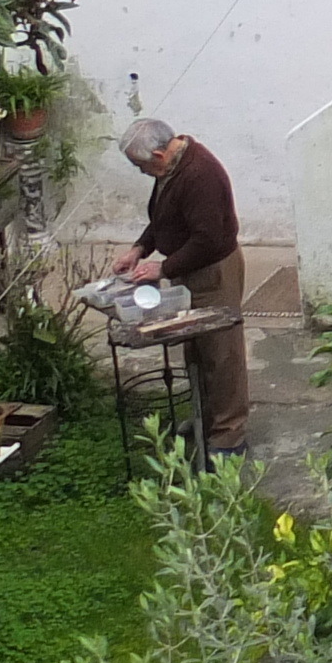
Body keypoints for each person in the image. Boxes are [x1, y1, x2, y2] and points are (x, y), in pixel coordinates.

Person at [114, 116, 248, 453]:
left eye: (140, 165)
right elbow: (163, 219)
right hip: (189, 270)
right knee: (195, 349)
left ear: (158, 155)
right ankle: (206, 416)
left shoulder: (199, 174)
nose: (140, 172)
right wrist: (139, 249)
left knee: (222, 354)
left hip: (213, 271)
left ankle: (229, 435)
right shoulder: (170, 169)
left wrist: (163, 268)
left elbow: (209, 239)